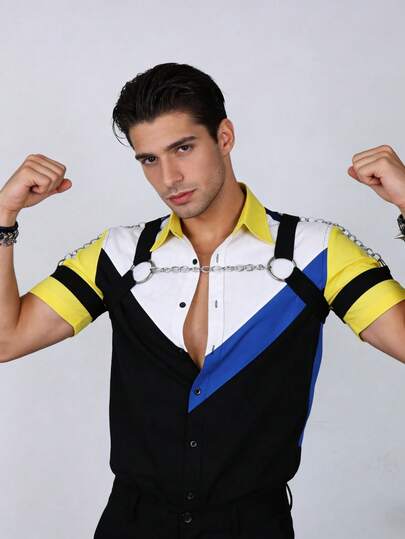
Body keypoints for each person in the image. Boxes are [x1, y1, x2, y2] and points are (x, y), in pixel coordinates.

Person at [1, 62, 405, 539]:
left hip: (252, 525)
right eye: (148, 159)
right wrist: (3, 215)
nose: (169, 177)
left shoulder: (315, 252)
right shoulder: (118, 255)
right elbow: (7, 339)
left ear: (224, 137)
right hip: (132, 523)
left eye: (183, 148)